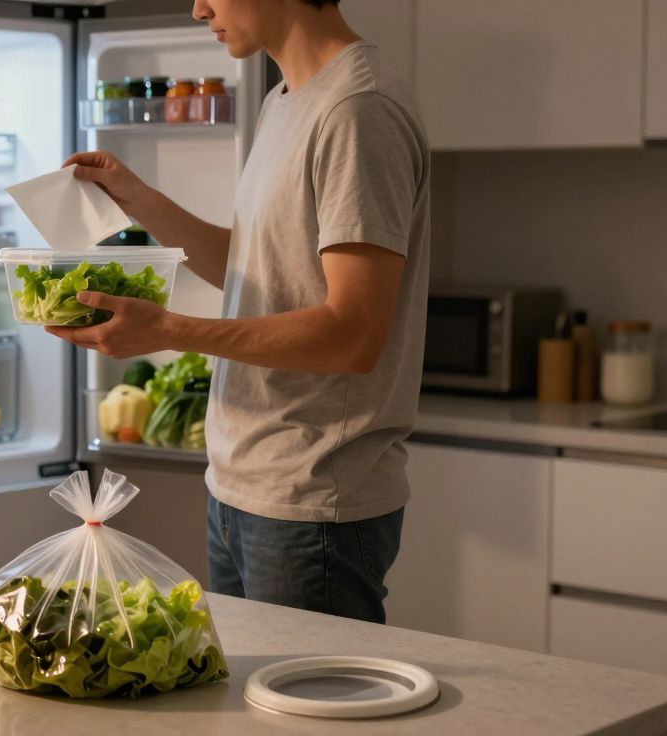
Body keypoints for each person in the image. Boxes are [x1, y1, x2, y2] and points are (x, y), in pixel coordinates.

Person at [48, 0, 430, 624]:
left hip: (311, 496)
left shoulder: (358, 110)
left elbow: (353, 335)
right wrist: (134, 195)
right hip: (240, 485)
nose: (198, 9)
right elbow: (259, 269)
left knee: (313, 719)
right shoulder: (286, 99)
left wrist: (168, 330)